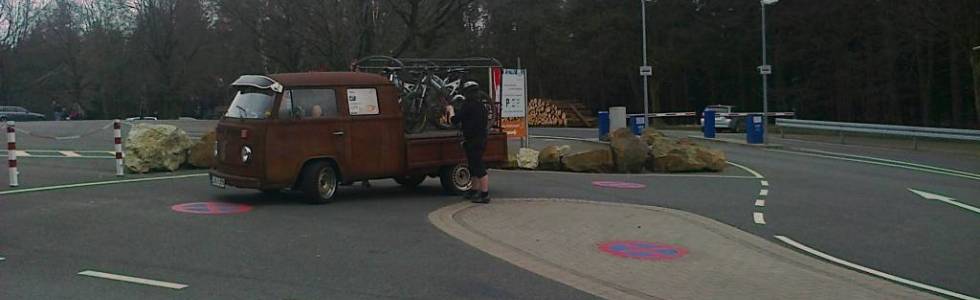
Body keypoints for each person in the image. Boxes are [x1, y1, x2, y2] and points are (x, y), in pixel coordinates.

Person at [447, 81, 490, 203]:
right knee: (473, 165)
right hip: (480, 138)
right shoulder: (481, 106)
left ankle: (484, 194)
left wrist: (451, 110)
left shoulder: (468, 105)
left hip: (473, 140)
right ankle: (474, 190)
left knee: (478, 166)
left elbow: (455, 120)